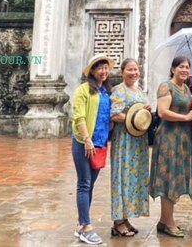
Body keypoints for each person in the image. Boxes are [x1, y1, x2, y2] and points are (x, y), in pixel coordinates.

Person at [149, 56, 192, 237]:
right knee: (168, 177)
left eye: (187, 67)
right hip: (168, 138)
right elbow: (162, 112)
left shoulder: (186, 88)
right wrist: (185, 117)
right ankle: (170, 223)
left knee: (176, 177)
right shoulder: (166, 86)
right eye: (181, 67)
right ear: (173, 69)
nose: (184, 70)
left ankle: (164, 221)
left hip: (184, 139)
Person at [72, 54, 114, 245]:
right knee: (84, 183)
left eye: (106, 67)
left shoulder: (106, 91)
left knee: (91, 184)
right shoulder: (83, 90)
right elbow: (79, 117)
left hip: (100, 143)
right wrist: (87, 139)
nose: (104, 71)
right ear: (92, 71)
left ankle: (82, 225)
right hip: (84, 143)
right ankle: (86, 226)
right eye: (100, 68)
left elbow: (108, 117)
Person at [109, 58, 151, 237]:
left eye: (136, 69)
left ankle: (126, 218)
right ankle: (118, 221)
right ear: (122, 71)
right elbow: (114, 114)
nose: (134, 73)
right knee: (122, 175)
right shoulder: (118, 90)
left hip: (139, 141)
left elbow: (142, 110)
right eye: (130, 69)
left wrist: (145, 110)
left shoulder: (139, 90)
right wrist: (131, 117)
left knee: (134, 178)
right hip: (124, 140)